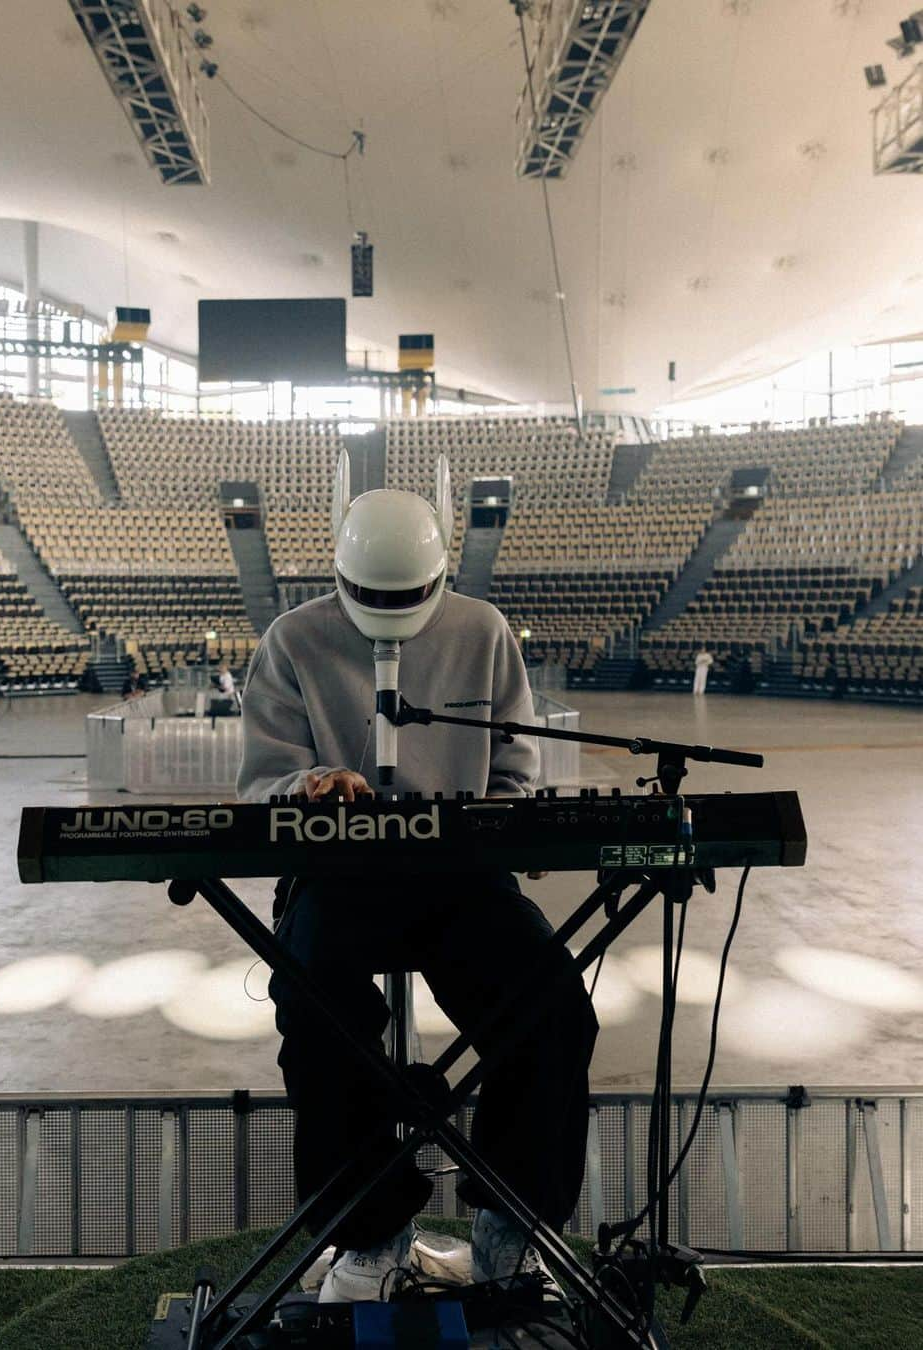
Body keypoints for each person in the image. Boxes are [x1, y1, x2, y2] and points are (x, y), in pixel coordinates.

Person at [237, 452, 598, 1303]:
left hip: (462, 881)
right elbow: (260, 783)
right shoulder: (293, 640)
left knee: (552, 1011)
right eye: (373, 601)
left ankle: (510, 1235)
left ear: (440, 577)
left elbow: (517, 770)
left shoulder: (482, 632)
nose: (391, 617)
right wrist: (309, 786)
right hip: (337, 877)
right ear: (338, 575)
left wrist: (499, 823)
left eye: (409, 599)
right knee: (319, 1013)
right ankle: (370, 1237)